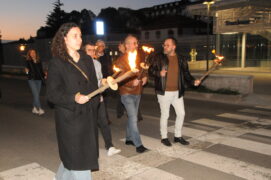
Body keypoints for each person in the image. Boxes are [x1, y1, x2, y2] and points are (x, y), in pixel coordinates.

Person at [46, 23, 99, 180]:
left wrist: (100, 90)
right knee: (79, 162)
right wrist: (73, 98)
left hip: (88, 118)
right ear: (64, 39)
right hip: (70, 121)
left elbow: (93, 86)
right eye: (75, 36)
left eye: (80, 35)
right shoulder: (57, 63)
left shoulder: (87, 59)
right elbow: (52, 94)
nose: (79, 39)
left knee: (75, 158)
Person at [149, 37, 201, 147]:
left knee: (181, 113)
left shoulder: (181, 59)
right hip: (164, 92)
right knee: (165, 115)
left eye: (167, 45)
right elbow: (150, 70)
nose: (165, 46)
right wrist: (159, 73)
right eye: (164, 45)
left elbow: (186, 74)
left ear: (174, 47)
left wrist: (193, 81)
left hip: (177, 91)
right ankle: (164, 137)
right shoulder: (159, 57)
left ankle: (178, 136)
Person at [84, 42, 121, 156]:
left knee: (104, 122)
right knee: (89, 124)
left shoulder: (97, 63)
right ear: (83, 52)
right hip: (86, 99)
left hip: (98, 98)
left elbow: (99, 80)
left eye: (93, 50)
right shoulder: (80, 65)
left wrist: (104, 82)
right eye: (89, 50)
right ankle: (88, 149)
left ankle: (109, 146)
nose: (92, 52)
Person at [114, 35, 148, 153]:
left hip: (137, 91)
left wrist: (144, 78)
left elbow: (143, 71)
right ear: (125, 45)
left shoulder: (138, 58)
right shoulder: (120, 61)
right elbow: (118, 79)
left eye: (134, 43)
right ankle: (138, 145)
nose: (132, 45)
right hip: (126, 93)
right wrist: (130, 83)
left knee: (131, 118)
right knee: (133, 118)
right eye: (129, 43)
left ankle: (129, 138)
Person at [25, 49, 45, 115]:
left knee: (36, 95)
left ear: (36, 53)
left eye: (34, 52)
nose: (33, 54)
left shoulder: (39, 61)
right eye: (31, 53)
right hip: (31, 79)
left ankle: (34, 108)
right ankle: (39, 108)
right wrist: (27, 71)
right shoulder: (28, 61)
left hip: (38, 80)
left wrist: (44, 75)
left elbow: (41, 70)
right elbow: (27, 71)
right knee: (36, 94)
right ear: (29, 54)